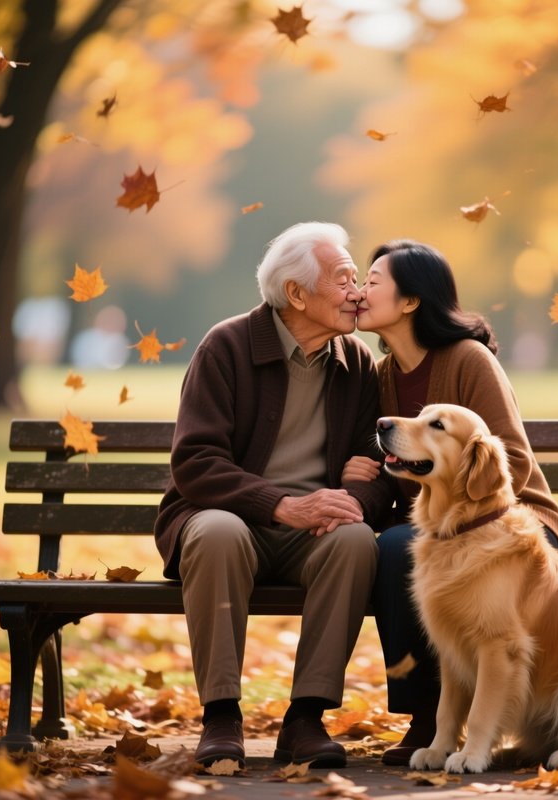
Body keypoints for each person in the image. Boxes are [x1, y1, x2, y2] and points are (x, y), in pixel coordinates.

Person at [154, 222, 394, 769]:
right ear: (296, 293)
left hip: (314, 533)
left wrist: (358, 496)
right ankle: (221, 716)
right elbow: (196, 462)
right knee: (217, 531)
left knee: (356, 540)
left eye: (359, 279)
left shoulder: (355, 362)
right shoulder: (227, 346)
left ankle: (306, 718)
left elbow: (378, 468)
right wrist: (282, 505)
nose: (357, 292)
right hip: (228, 518)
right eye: (344, 280)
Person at [346, 239, 558, 766]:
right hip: (442, 532)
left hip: (512, 525)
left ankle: (438, 725)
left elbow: (507, 461)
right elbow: (399, 471)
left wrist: (425, 486)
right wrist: (365, 479)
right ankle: (429, 720)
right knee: (400, 545)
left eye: (373, 280)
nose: (359, 289)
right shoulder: (381, 378)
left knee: (401, 544)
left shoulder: (468, 361)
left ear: (410, 301)